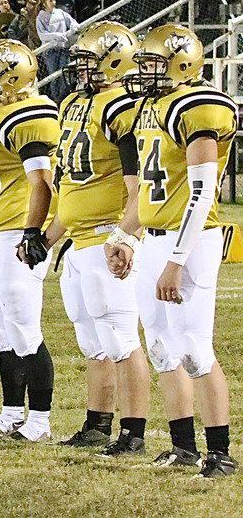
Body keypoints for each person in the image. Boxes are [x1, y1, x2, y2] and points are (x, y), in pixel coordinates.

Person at [106, 24, 237, 478]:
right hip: (156, 237)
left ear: (182, 64)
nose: (144, 73)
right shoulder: (153, 107)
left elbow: (201, 195)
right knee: (161, 348)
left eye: (154, 64)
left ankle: (219, 453)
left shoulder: (198, 105)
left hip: (191, 242)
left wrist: (175, 262)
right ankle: (183, 445)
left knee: (196, 349)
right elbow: (150, 191)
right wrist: (124, 236)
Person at [44, 22, 151, 456]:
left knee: (121, 340)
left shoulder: (122, 107)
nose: (80, 69)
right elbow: (70, 186)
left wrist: (127, 235)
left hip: (107, 236)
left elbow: (140, 185)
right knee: (91, 340)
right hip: (76, 241)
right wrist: (48, 236)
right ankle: (96, 423)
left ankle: (134, 430)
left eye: (89, 60)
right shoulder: (72, 103)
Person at [0, 40, 59, 442]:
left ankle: (39, 420)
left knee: (23, 327)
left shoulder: (26, 113)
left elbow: (44, 184)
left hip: (19, 234)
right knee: (0, 327)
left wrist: (35, 234)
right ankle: (10, 413)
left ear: (13, 78)